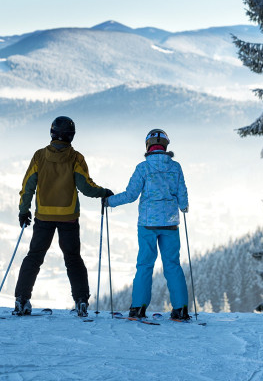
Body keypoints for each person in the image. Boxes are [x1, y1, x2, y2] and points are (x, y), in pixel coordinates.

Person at [14, 116, 112, 317]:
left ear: (52, 133)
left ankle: (21, 299)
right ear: (71, 136)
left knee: (34, 257)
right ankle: (81, 301)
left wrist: (24, 211)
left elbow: (27, 186)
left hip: (43, 216)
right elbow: (86, 187)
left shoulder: (39, 156)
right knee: (73, 258)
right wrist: (104, 192)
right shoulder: (76, 158)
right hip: (69, 216)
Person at [104, 128, 190, 320]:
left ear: (148, 146)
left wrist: (109, 201)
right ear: (166, 146)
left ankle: (138, 308)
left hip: (147, 224)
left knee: (144, 265)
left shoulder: (143, 168)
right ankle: (181, 310)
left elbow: (131, 195)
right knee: (173, 265)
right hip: (170, 224)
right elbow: (182, 194)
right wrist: (183, 207)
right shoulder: (175, 167)